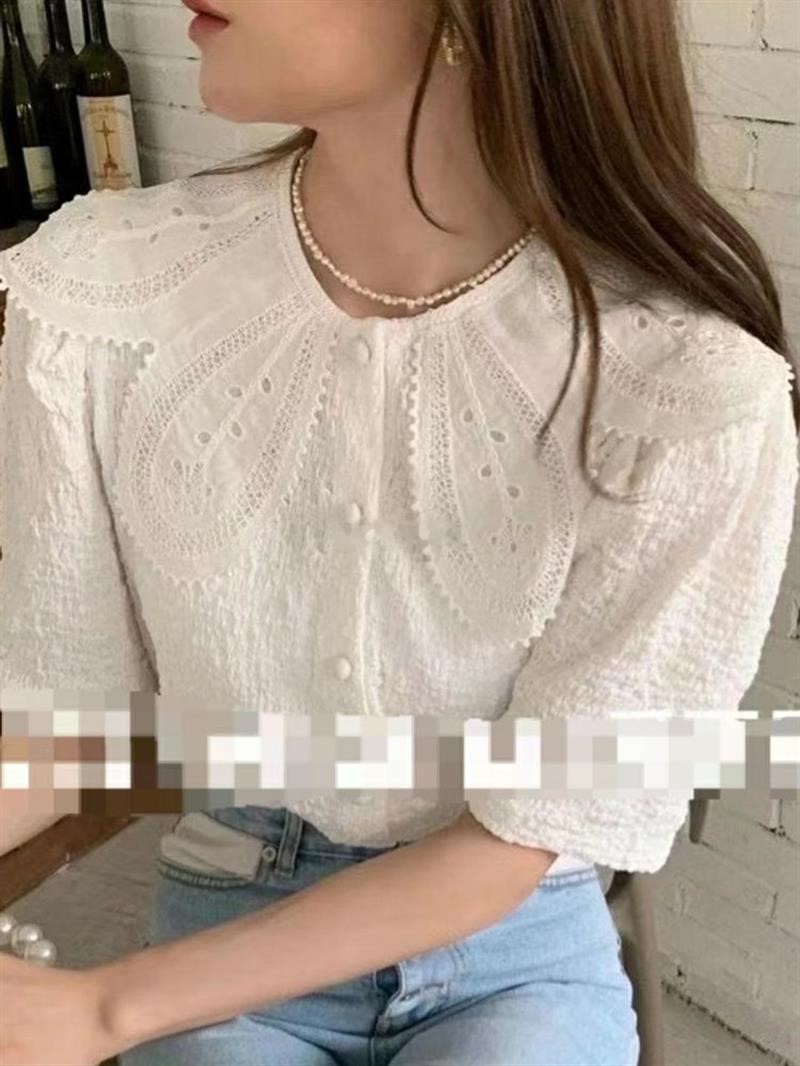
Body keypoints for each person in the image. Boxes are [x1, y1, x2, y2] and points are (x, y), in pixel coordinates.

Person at [0, 2, 797, 1064]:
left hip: (514, 944)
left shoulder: (684, 390)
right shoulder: (99, 294)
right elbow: (67, 722)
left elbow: (529, 826)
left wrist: (106, 1008)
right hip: (229, 894)